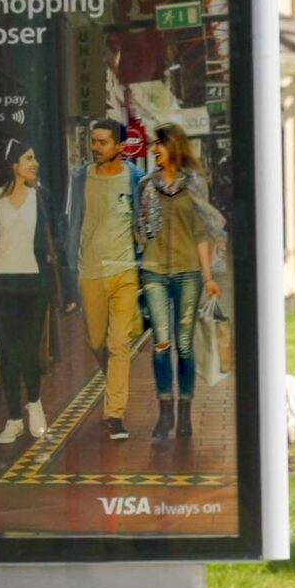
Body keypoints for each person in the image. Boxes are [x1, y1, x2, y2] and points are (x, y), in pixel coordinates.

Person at [0, 140, 66, 446]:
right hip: (1, 284)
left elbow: (56, 242)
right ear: (13, 164)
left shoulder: (43, 197)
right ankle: (13, 419)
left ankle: (34, 406)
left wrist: (65, 288)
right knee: (7, 354)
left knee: (29, 350)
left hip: (35, 284)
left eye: (35, 158)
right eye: (29, 158)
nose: (35, 163)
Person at [136, 123, 222, 442]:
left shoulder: (196, 185)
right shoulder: (145, 185)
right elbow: (139, 230)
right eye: (152, 145)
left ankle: (184, 413)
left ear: (174, 145)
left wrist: (209, 276)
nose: (153, 149)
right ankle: (164, 415)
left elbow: (202, 232)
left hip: (188, 273)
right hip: (154, 272)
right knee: (161, 344)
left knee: (184, 345)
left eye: (158, 144)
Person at [71, 117, 143, 442]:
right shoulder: (78, 179)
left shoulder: (135, 178)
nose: (95, 147)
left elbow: (145, 223)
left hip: (125, 270)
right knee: (97, 341)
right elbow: (70, 223)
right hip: (90, 272)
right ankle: (114, 383)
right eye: (93, 141)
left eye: (102, 142)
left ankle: (114, 414)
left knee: (119, 344)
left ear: (119, 146)